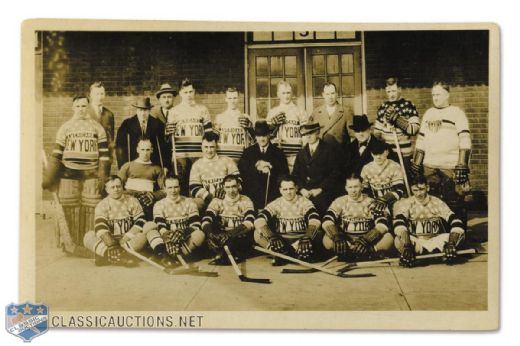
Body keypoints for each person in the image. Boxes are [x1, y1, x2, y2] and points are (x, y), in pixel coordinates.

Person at [42, 95, 111, 253]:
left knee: (91, 205)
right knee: (69, 205)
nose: (81, 109)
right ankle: (70, 242)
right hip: (68, 172)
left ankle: (88, 241)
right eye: (78, 106)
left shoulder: (97, 127)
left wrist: (103, 175)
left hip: (91, 172)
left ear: (88, 107)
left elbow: (104, 154)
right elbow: (57, 154)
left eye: (84, 106)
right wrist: (49, 176)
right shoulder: (66, 127)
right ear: (73, 108)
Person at [411, 81, 472, 225]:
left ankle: (457, 232)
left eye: (438, 94)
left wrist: (462, 163)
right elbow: (421, 140)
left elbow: (464, 138)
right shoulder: (428, 113)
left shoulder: (457, 113)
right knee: (431, 201)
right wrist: (417, 162)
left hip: (449, 167)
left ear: (447, 95)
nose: (435, 98)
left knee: (454, 202)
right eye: (433, 95)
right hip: (429, 167)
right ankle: (437, 232)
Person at [82, 176, 166, 267]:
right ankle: (118, 255)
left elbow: (140, 220)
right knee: (88, 236)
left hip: (128, 239)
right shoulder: (102, 204)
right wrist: (111, 244)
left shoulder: (132, 200)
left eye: (118, 186)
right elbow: (100, 225)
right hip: (110, 240)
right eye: (112, 187)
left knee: (142, 236)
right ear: (107, 189)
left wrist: (127, 236)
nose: (116, 189)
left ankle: (109, 257)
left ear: (122, 186)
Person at [393, 175, 466, 267]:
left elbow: (456, 221)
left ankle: (429, 254)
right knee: (398, 240)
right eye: (415, 190)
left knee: (460, 235)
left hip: (436, 240)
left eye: (421, 189)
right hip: (417, 241)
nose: (418, 194)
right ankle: (436, 255)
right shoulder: (407, 203)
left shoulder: (437, 202)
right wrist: (407, 245)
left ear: (427, 187)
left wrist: (451, 243)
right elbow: (399, 224)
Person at [322, 174, 394, 260]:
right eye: (350, 187)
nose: (353, 191)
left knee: (388, 237)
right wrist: (336, 236)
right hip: (346, 241)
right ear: (346, 188)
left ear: (362, 187)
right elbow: (327, 219)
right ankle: (348, 251)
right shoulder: (340, 201)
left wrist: (366, 241)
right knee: (326, 238)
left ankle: (368, 252)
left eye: (356, 187)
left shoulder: (371, 202)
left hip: (367, 242)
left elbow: (382, 224)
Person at [254, 175, 322, 264]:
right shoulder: (276, 203)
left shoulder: (304, 201)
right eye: (285, 189)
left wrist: (307, 237)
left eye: (291, 188)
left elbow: (315, 219)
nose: (288, 192)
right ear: (280, 190)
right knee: (257, 233)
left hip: (301, 241)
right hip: (282, 241)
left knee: (318, 233)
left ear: (296, 188)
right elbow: (259, 220)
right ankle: (283, 253)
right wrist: (271, 236)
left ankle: (284, 255)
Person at [165, 78, 213, 195]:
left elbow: (209, 135)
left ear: (194, 91)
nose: (188, 95)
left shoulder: (202, 109)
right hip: (181, 155)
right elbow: (168, 137)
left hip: (199, 154)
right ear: (180, 93)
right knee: (182, 185)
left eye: (190, 92)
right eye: (185, 92)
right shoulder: (174, 111)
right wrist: (167, 132)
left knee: (199, 184)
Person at [148, 174, 205, 259]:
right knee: (150, 231)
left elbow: (196, 225)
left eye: (176, 187)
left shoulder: (189, 202)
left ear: (180, 187)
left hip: (184, 239)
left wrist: (183, 232)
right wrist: (168, 239)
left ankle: (179, 255)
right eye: (170, 188)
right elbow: (161, 226)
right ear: (164, 189)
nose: (173, 191)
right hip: (166, 239)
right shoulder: (159, 204)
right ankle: (163, 255)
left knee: (200, 234)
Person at [202, 175, 256, 264]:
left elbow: (250, 222)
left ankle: (224, 256)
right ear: (223, 187)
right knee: (211, 239)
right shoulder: (217, 200)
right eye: (228, 187)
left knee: (236, 243)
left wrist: (230, 234)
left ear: (238, 186)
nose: (231, 190)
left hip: (239, 235)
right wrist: (210, 234)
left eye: (234, 186)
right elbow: (206, 219)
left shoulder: (245, 200)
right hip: (222, 235)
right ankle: (224, 255)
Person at [292, 122, 342, 216]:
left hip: (324, 192)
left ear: (318, 133)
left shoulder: (329, 150)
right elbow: (295, 174)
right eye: (305, 134)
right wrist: (301, 189)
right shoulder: (301, 153)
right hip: (305, 192)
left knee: (320, 212)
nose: (308, 137)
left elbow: (335, 174)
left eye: (311, 133)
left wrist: (320, 189)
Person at [238, 121, 289, 210]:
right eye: (259, 136)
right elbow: (242, 172)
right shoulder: (248, 152)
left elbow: (284, 175)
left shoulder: (278, 153)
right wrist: (257, 168)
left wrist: (271, 170)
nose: (262, 139)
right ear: (255, 137)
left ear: (269, 135)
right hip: (252, 196)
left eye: (264, 135)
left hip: (273, 196)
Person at [373, 77, 420, 167]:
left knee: (405, 180)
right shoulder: (382, 107)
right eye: (389, 92)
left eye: (394, 91)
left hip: (404, 154)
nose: (391, 95)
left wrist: (397, 120)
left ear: (399, 89)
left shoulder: (408, 105)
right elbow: (377, 133)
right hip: (387, 156)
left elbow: (414, 130)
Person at [115, 97, 170, 171]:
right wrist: (123, 167)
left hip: (153, 166)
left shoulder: (157, 124)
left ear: (149, 110)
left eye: (145, 110)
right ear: (136, 111)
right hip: (133, 165)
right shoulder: (127, 124)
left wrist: (165, 166)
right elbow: (120, 148)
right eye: (140, 110)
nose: (143, 113)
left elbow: (164, 148)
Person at [189, 132, 240, 210]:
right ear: (201, 147)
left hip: (227, 198)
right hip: (206, 200)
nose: (209, 150)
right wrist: (210, 197)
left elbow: (239, 181)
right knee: (192, 204)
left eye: (212, 147)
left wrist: (227, 192)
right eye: (206, 147)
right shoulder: (197, 165)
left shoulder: (227, 161)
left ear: (217, 147)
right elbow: (193, 188)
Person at [117, 139, 165, 220]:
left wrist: (153, 196)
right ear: (137, 150)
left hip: (147, 204)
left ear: (152, 150)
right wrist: (131, 194)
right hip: (128, 203)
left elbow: (165, 190)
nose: (145, 153)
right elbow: (117, 186)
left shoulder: (157, 169)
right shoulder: (128, 166)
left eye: (147, 150)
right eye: (142, 149)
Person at [266, 81, 308, 172]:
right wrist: (273, 125)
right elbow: (266, 135)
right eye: (283, 93)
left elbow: (305, 135)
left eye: (288, 92)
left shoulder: (300, 111)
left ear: (292, 93)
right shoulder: (273, 112)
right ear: (278, 94)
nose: (286, 96)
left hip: (296, 154)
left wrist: (304, 154)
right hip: (278, 154)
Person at [360, 140, 405, 215]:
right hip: (375, 201)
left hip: (394, 200)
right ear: (371, 154)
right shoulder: (366, 168)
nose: (378, 157)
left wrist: (384, 199)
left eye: (381, 153)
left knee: (400, 214)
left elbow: (400, 189)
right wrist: (371, 201)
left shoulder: (394, 166)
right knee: (378, 214)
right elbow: (364, 190)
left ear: (387, 152)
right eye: (375, 154)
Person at [214, 87, 254, 162]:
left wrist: (249, 128)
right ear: (226, 99)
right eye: (230, 98)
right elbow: (214, 140)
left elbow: (253, 140)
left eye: (235, 98)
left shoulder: (245, 117)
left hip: (241, 158)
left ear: (238, 99)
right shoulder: (219, 118)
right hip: (223, 158)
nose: (232, 101)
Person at [308, 82, 352, 147]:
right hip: (321, 152)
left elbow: (353, 136)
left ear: (337, 94)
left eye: (332, 93)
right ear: (323, 95)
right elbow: (309, 135)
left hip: (339, 152)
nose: (330, 97)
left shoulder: (346, 112)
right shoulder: (316, 112)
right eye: (327, 94)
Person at [88, 81, 115, 162]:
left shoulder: (109, 114)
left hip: (104, 156)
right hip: (88, 156)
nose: (99, 97)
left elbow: (111, 138)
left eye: (102, 94)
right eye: (97, 94)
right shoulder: (85, 112)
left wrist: (110, 156)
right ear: (90, 95)